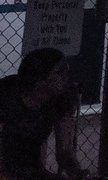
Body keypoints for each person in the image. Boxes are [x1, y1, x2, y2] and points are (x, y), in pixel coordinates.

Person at [0, 48, 89, 180]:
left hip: (31, 170)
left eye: (66, 70)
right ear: (40, 78)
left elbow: (65, 151)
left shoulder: (60, 101)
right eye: (60, 72)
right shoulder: (7, 94)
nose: (65, 77)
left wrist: (74, 171)